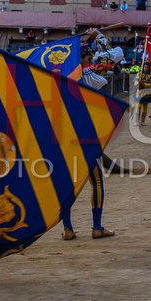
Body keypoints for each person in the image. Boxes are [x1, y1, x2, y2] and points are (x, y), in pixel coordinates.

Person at [61, 27, 124, 241]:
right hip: (86, 134)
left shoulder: (59, 74)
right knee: (96, 182)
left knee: (66, 184)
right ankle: (97, 227)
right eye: (88, 57)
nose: (91, 59)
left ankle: (67, 229)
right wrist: (98, 37)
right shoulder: (91, 74)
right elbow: (116, 54)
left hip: (63, 135)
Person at [133, 61, 151, 126]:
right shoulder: (139, 74)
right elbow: (135, 80)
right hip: (139, 92)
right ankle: (137, 121)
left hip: (147, 93)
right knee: (138, 106)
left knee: (145, 107)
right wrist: (137, 84)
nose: (146, 68)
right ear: (143, 67)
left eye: (147, 67)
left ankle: (143, 121)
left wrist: (144, 84)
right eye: (145, 67)